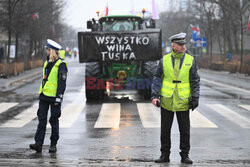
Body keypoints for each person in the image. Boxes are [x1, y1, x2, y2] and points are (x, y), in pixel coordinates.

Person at [151, 32, 200, 164]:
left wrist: (195, 97)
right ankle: (164, 155)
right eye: (180, 44)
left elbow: (195, 80)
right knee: (165, 130)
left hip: (183, 101)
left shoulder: (191, 60)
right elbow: (157, 78)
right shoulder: (164, 60)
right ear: (173, 46)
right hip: (166, 100)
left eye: (184, 44)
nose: (183, 46)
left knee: (184, 131)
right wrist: (155, 96)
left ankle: (185, 155)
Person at [29, 39, 68, 153]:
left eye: (47, 49)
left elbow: (62, 82)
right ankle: (38, 144)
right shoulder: (46, 63)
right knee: (42, 120)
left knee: (53, 120)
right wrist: (41, 93)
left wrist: (59, 96)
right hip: (44, 96)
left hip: (55, 97)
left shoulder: (61, 65)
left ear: (52, 51)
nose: (46, 51)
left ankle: (53, 144)